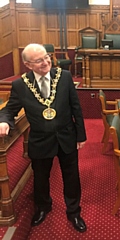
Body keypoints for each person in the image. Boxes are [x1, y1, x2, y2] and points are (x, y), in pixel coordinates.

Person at [0, 44, 87, 233]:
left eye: (47, 57)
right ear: (27, 64)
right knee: (41, 178)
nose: (46, 62)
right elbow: (9, 109)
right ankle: (43, 207)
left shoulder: (63, 77)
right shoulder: (20, 85)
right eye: (39, 60)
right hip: (40, 140)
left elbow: (76, 108)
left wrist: (81, 135)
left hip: (66, 137)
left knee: (71, 178)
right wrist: (4, 121)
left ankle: (74, 212)